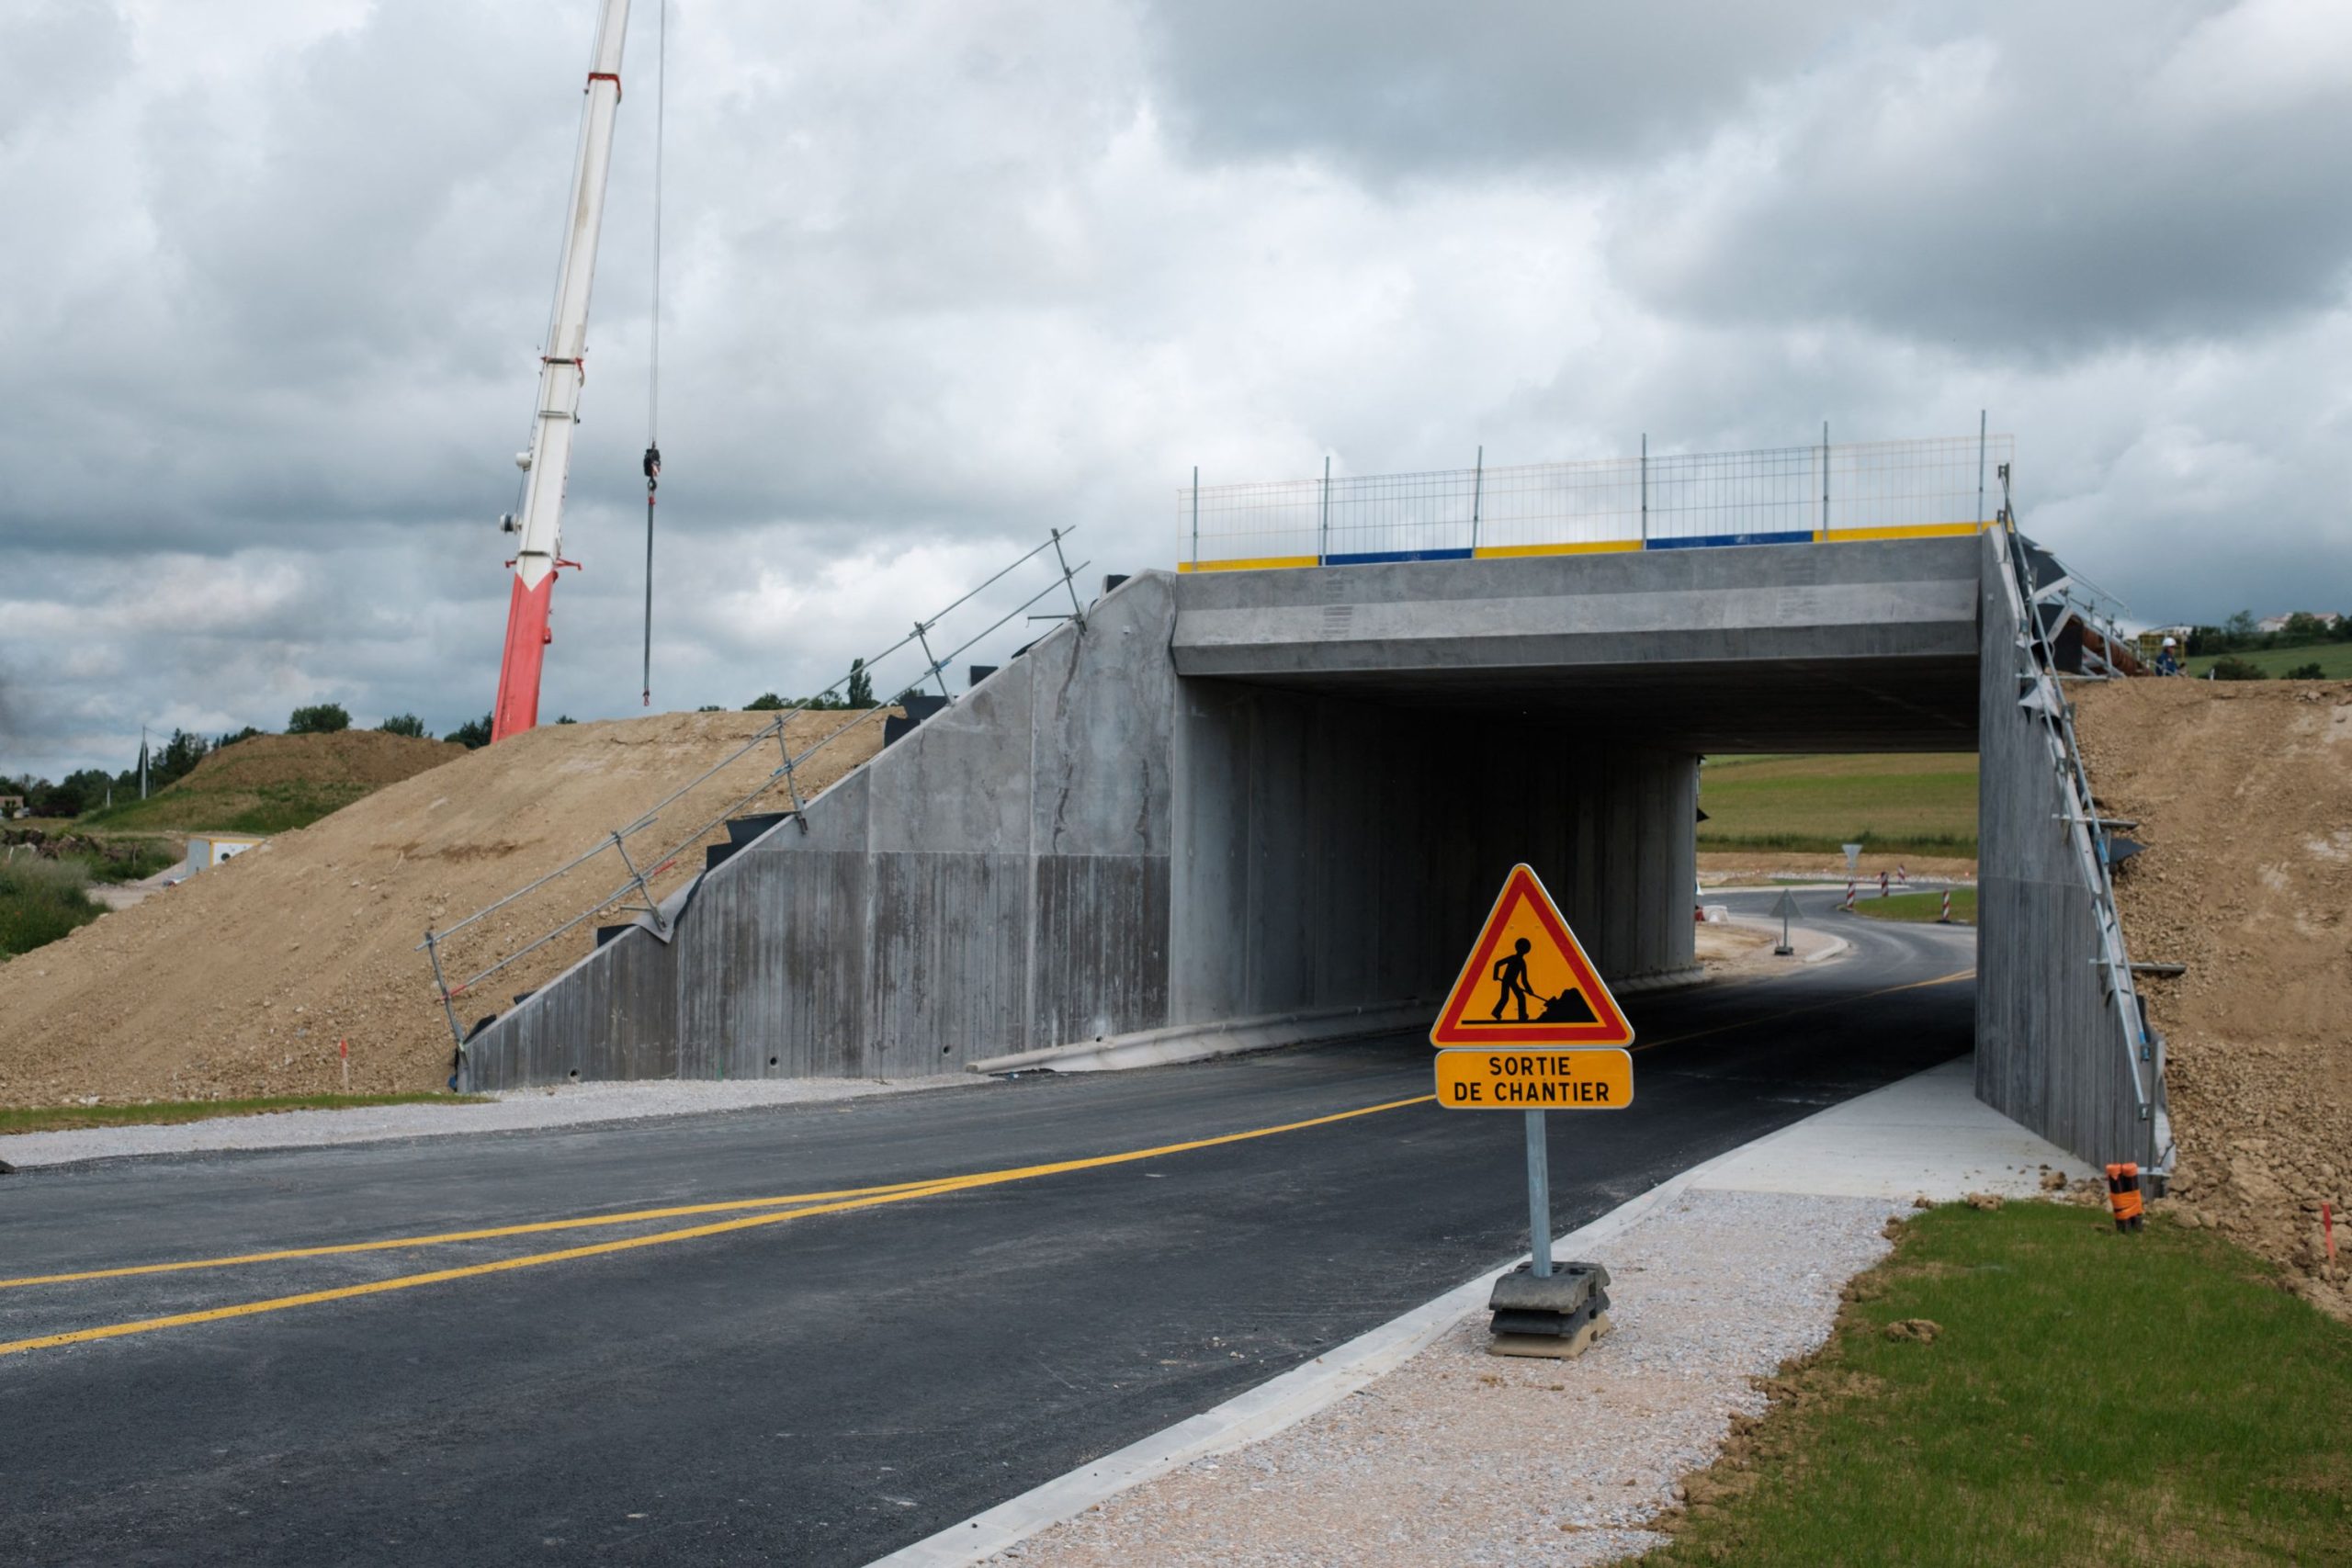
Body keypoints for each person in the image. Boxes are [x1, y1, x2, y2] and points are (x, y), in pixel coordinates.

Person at [1490, 937, 1537, 1021]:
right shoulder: (1517, 960)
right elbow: (1497, 964)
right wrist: (1495, 975)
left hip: (1512, 981)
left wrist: (1529, 990)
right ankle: (1520, 1016)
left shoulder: (1521, 962)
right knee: (1508, 998)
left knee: (1517, 997)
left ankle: (1499, 1012)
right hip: (1507, 980)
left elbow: (1524, 979)